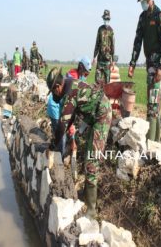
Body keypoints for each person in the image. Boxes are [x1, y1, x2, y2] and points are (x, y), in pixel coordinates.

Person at [46, 67, 112, 219]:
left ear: (57, 87)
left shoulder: (70, 93)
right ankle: (86, 197)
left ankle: (91, 211)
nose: (54, 96)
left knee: (91, 162)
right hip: (93, 118)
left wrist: (51, 146)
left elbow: (62, 125)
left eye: (53, 91)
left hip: (101, 116)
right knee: (89, 156)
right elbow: (69, 120)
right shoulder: (69, 86)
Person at [128, 0, 161, 142]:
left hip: (157, 65)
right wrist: (132, 63)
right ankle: (155, 140)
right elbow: (137, 41)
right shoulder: (143, 17)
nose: (143, 3)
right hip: (149, 65)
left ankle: (151, 142)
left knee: (153, 103)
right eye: (141, 0)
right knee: (153, 103)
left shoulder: (159, 16)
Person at [93, 9, 115, 85]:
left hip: (107, 61)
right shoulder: (100, 29)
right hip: (100, 60)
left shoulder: (111, 30)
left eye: (107, 19)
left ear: (109, 19)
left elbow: (112, 45)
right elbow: (97, 43)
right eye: (105, 19)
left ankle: (105, 96)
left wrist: (113, 60)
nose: (106, 20)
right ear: (103, 19)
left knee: (107, 82)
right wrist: (94, 57)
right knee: (97, 81)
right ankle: (97, 96)